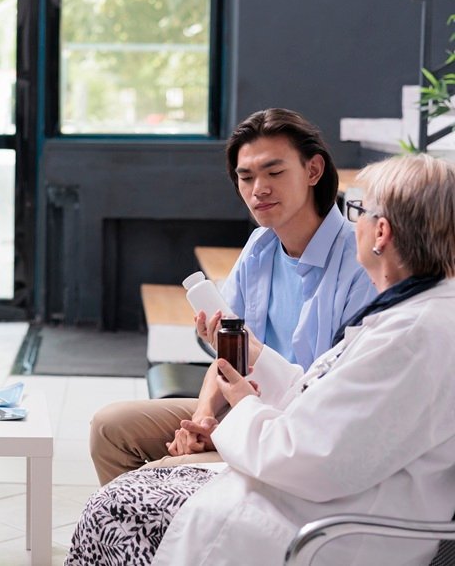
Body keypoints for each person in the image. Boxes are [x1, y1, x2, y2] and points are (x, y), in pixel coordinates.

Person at [68, 153, 455, 565]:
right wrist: (241, 367)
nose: (259, 189)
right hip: (301, 473)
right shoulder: (408, 314)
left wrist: (241, 408)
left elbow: (310, 456)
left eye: (358, 209)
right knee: (122, 468)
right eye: (246, 176)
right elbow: (316, 399)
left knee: (119, 508)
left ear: (381, 232)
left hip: (328, 525)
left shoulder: (412, 334)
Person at [89, 109, 377, 484]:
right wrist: (204, 417)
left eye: (274, 173)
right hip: (242, 407)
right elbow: (230, 356)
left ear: (313, 171)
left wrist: (239, 418)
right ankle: (155, 541)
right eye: (246, 177)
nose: (259, 189)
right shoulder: (260, 247)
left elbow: (334, 400)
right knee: (109, 428)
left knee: (149, 482)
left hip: (294, 430)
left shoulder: (360, 265)